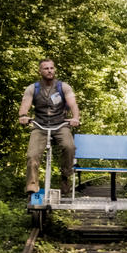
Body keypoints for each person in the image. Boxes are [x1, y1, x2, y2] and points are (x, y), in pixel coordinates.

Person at [18, 58, 81, 196]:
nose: (49, 71)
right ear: (40, 71)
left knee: (69, 146)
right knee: (32, 155)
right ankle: (32, 187)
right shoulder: (33, 88)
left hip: (60, 124)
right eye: (46, 68)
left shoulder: (63, 87)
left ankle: (65, 177)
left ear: (54, 70)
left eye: (51, 68)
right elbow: (25, 105)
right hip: (40, 125)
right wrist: (23, 115)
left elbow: (73, 104)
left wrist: (75, 118)